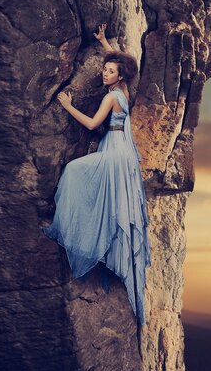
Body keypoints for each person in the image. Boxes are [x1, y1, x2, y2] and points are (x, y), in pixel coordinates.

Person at [42, 23, 151, 326]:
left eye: (110, 71)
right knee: (108, 198)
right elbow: (119, 62)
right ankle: (103, 242)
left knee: (75, 171)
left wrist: (66, 105)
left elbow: (92, 125)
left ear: (120, 77)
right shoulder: (123, 90)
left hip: (115, 153)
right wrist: (105, 42)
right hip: (122, 152)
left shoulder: (111, 98)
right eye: (105, 69)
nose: (105, 73)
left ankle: (86, 238)